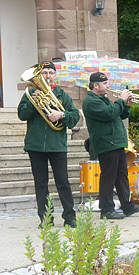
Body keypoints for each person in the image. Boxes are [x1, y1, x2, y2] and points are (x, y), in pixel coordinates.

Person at [17, 61, 79, 228]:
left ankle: (69, 216)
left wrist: (61, 115)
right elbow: (22, 115)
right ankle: (45, 219)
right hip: (35, 146)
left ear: (55, 75)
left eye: (51, 72)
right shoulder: (30, 93)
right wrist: (33, 101)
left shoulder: (61, 94)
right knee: (41, 183)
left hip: (57, 145)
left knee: (63, 182)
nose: (47, 76)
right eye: (44, 73)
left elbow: (74, 118)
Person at [82, 72, 139, 219]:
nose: (108, 86)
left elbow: (119, 114)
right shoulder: (90, 101)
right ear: (95, 85)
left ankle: (127, 205)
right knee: (108, 177)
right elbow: (109, 113)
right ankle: (106, 209)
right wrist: (121, 100)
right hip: (106, 143)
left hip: (116, 142)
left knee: (121, 175)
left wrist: (126, 105)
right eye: (105, 83)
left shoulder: (104, 99)